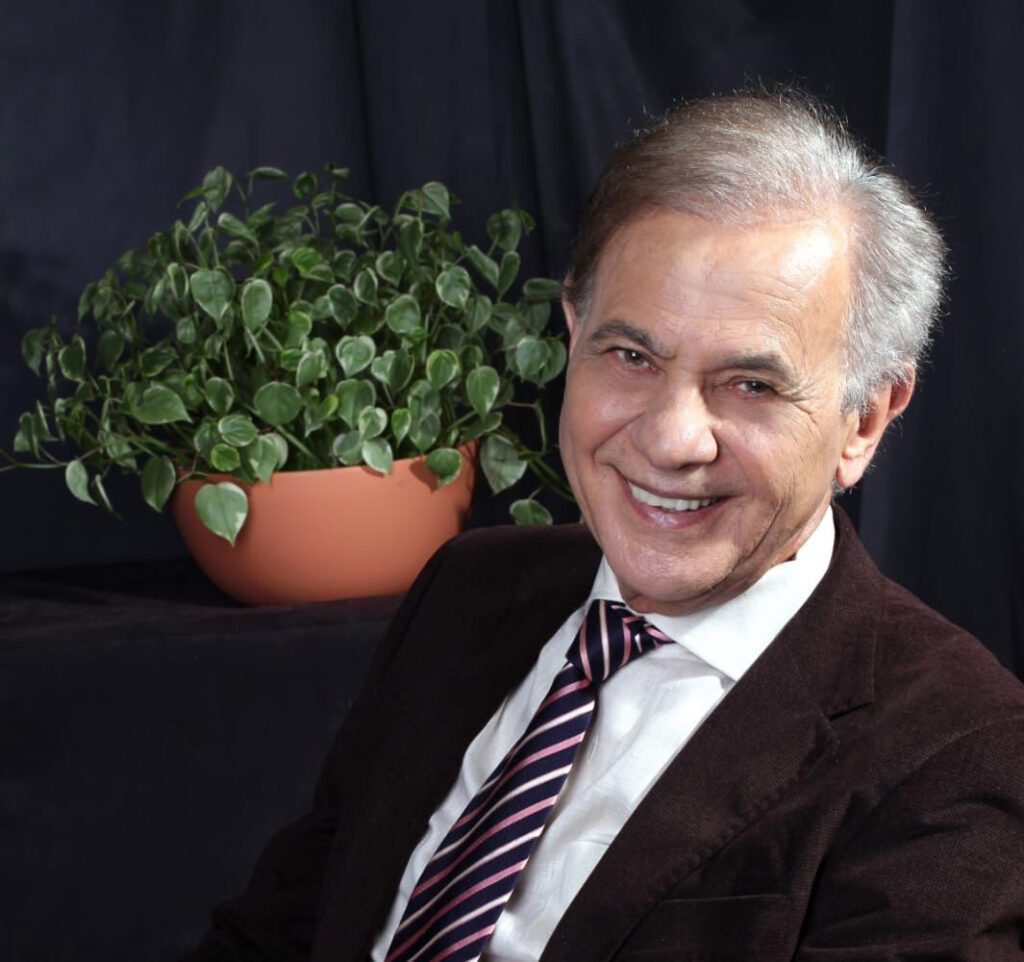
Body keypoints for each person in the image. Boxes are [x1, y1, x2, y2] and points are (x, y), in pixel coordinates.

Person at [185, 90, 1024, 961]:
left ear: (865, 421)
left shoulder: (958, 753)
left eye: (751, 385)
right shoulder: (470, 589)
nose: (670, 440)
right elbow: (277, 931)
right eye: (632, 356)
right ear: (573, 332)